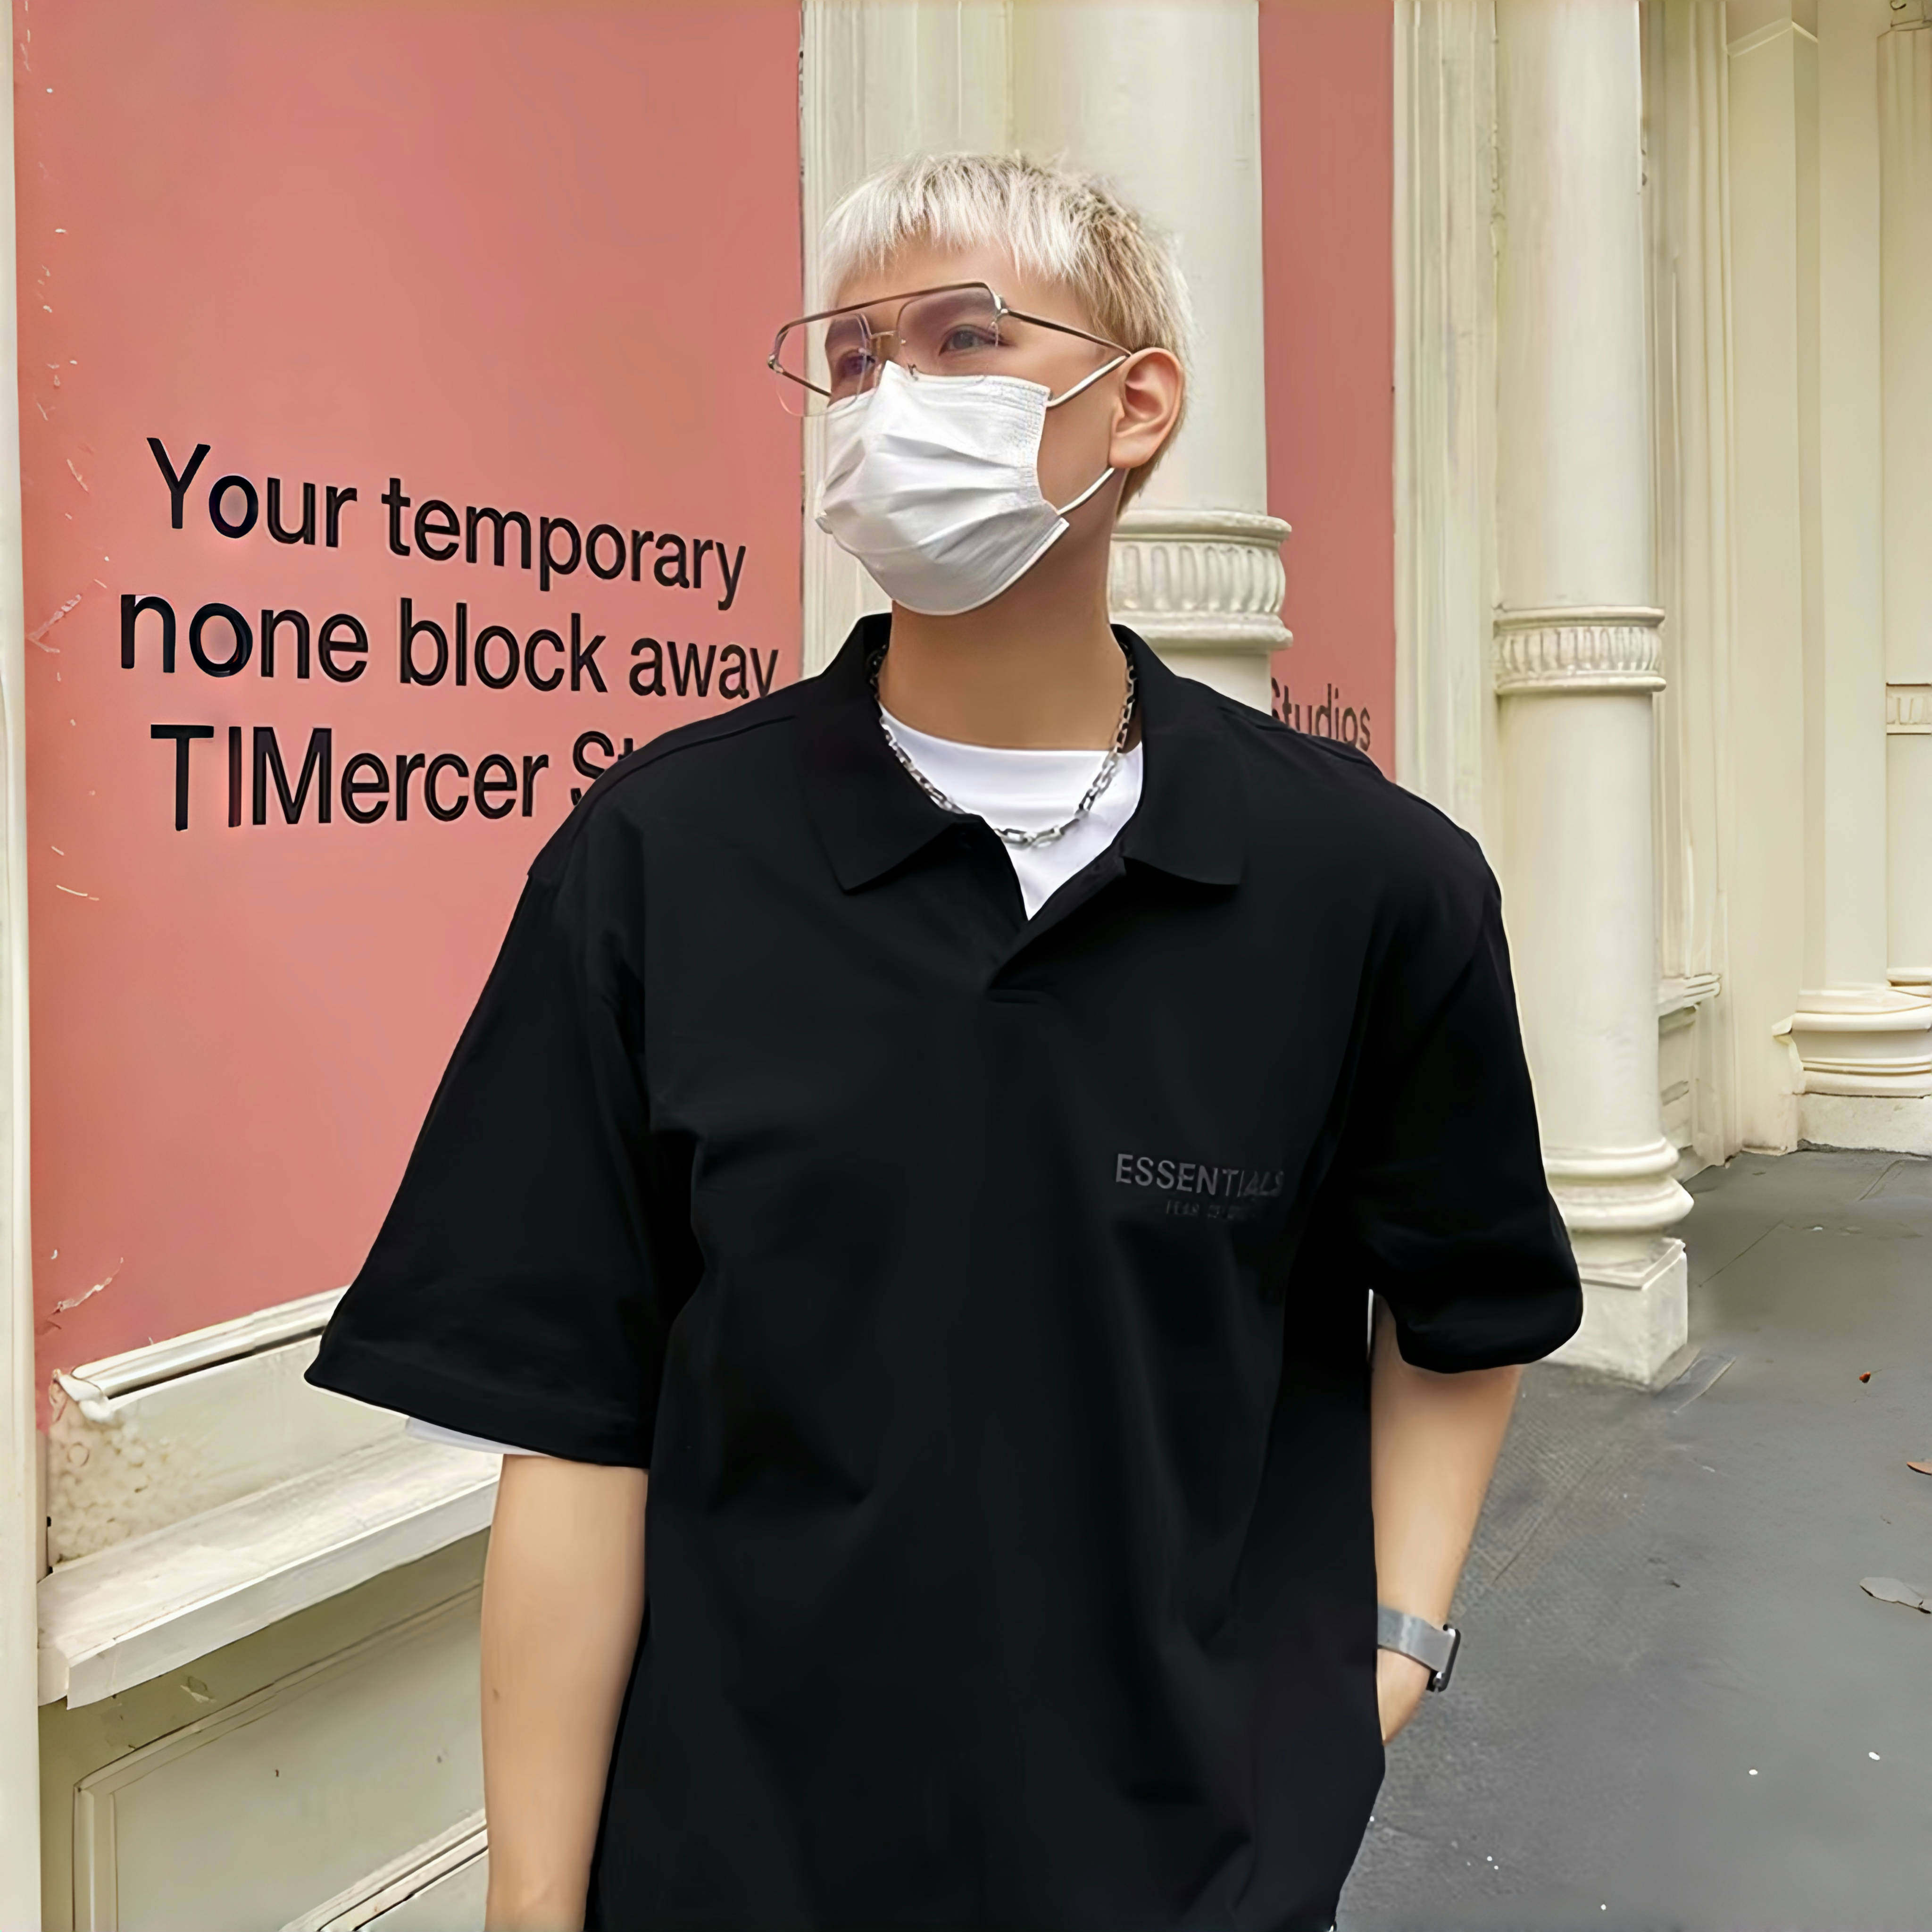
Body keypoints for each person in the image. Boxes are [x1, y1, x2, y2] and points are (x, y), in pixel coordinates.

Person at [306, 151, 1582, 1932]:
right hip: (741, 1862)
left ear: (1138, 405)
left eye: (962, 337)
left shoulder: (1367, 880)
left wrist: (1384, 1657)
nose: (889, 395)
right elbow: (578, 1428)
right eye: (851, 357)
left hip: (1199, 1860)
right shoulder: (662, 858)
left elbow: (1465, 1314)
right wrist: (532, 1902)